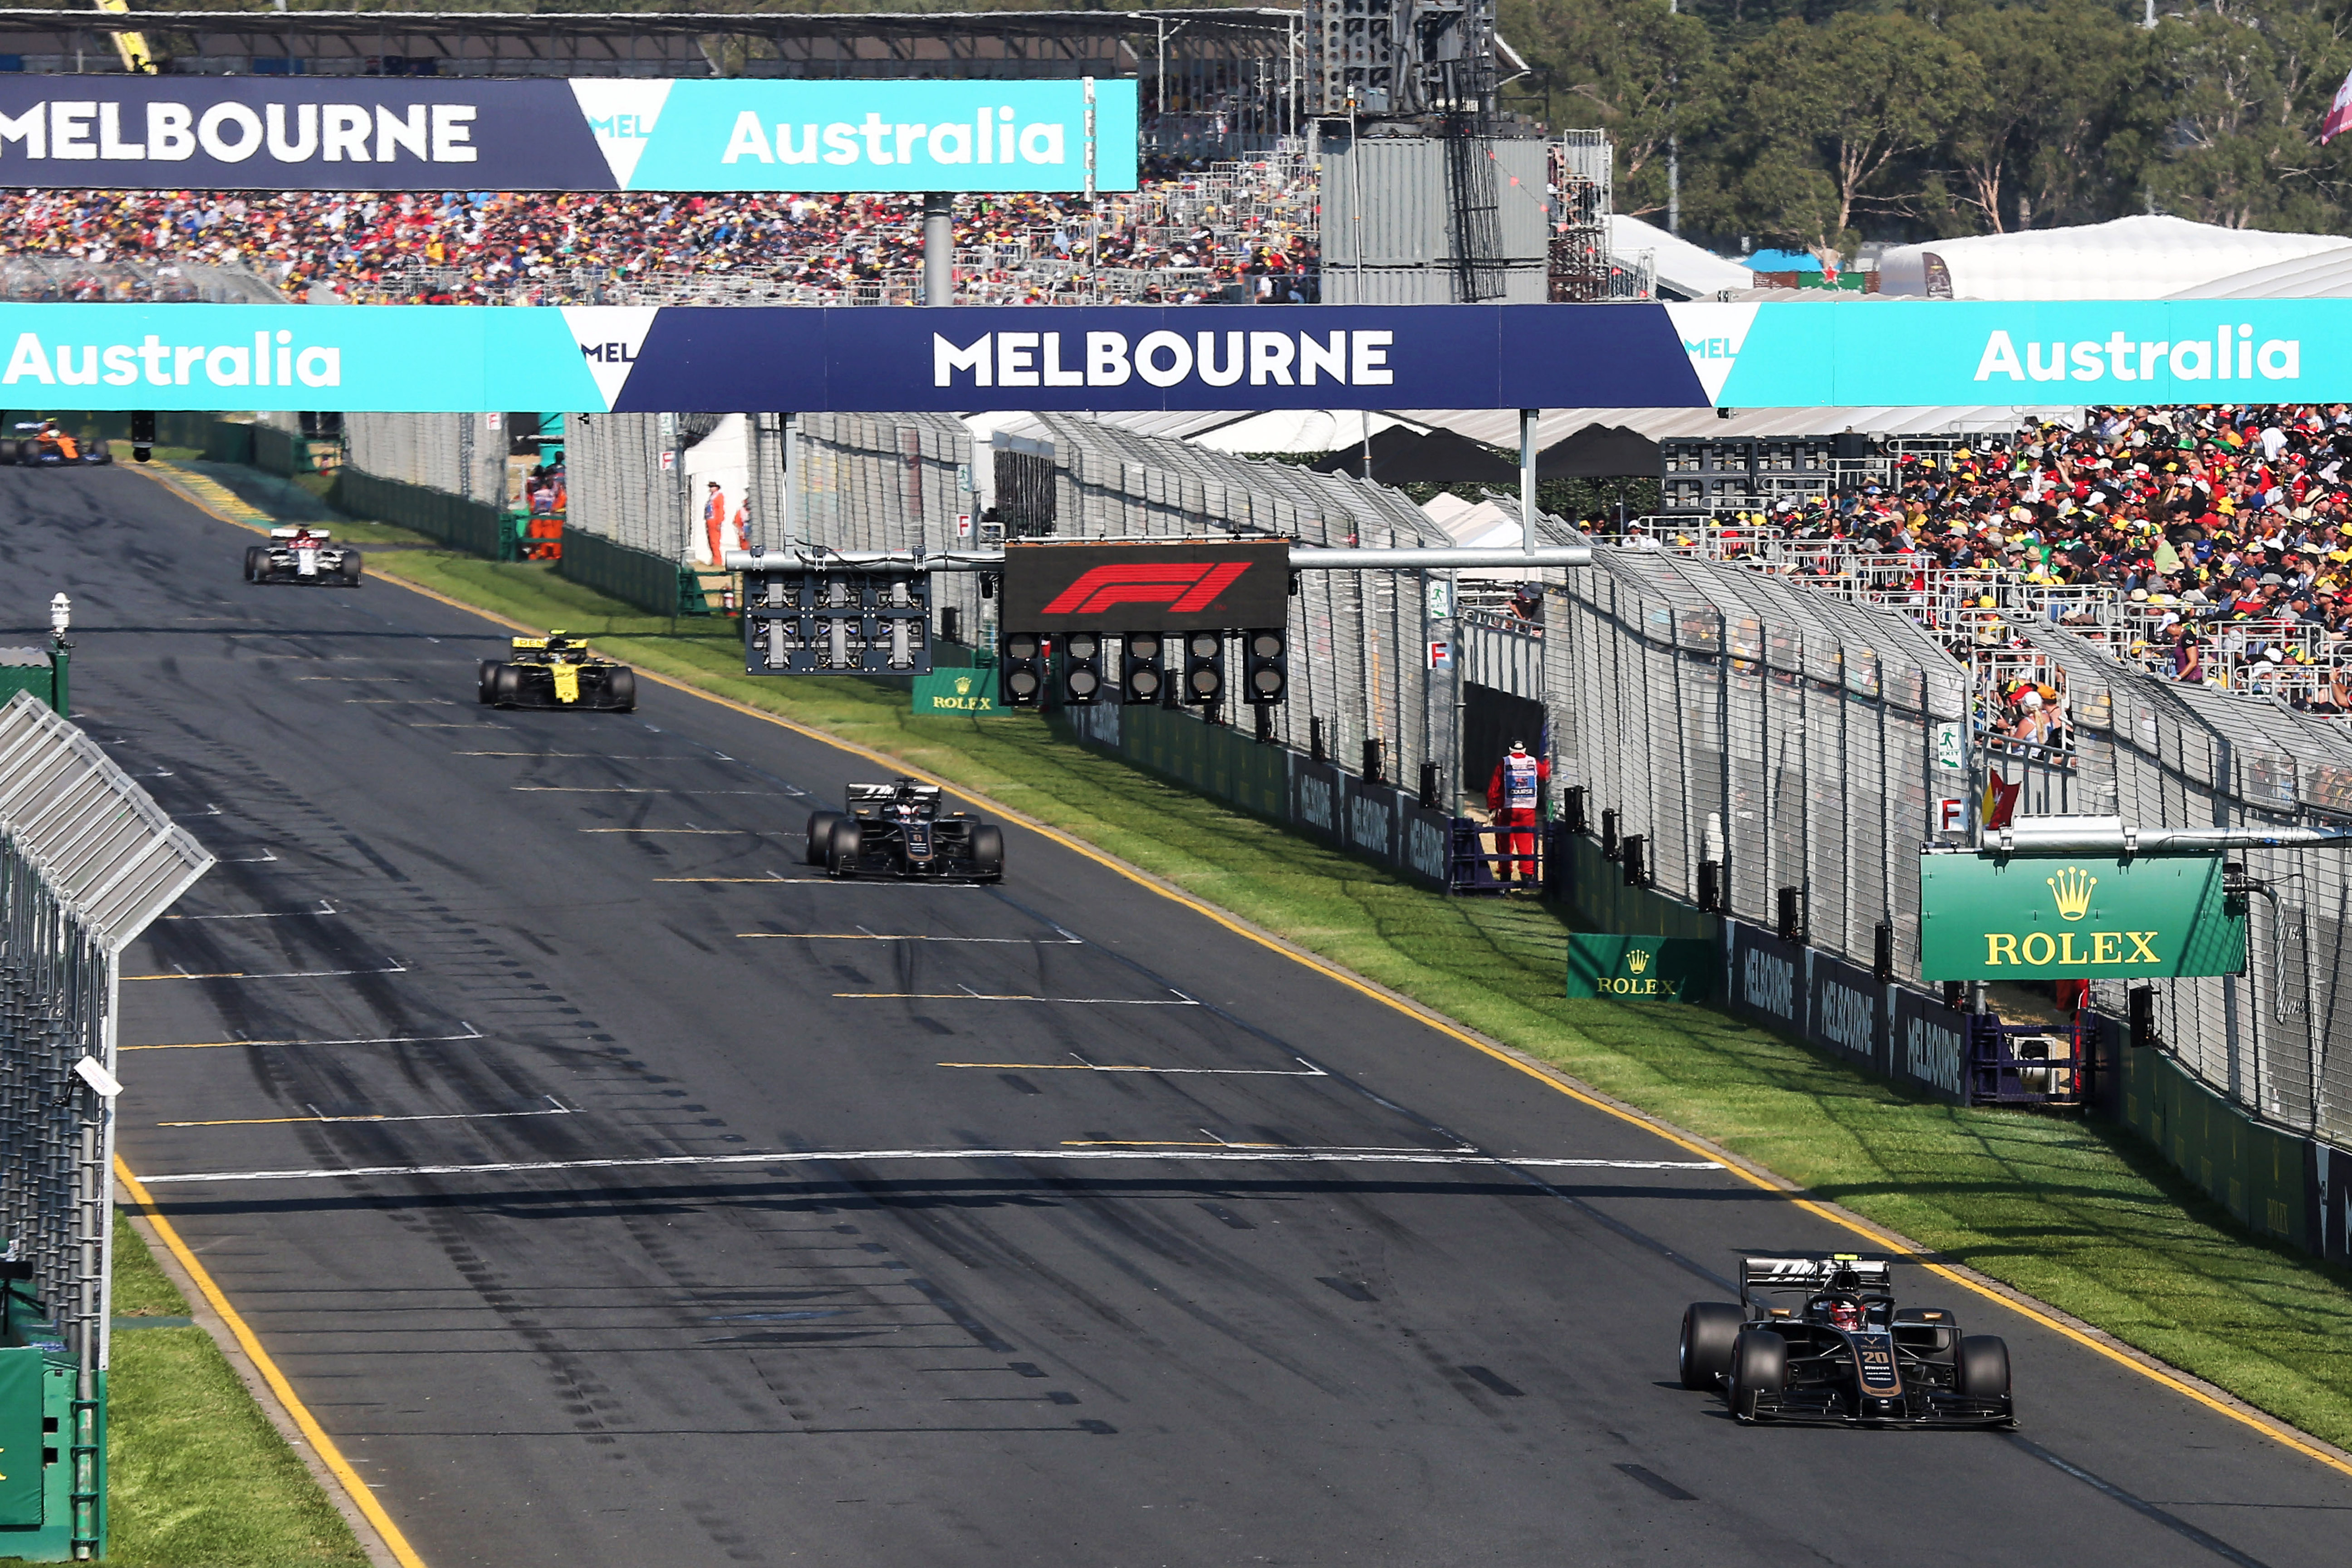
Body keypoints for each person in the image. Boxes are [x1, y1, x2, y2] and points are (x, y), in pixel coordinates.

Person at [1485, 740, 1549, 886]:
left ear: (1510, 749)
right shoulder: (1532, 761)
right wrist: (1546, 760)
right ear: (1525, 750)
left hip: (1508, 809)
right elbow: (1544, 775)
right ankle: (1527, 877)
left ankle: (1505, 877)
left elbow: (1495, 785)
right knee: (1526, 842)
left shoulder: (1505, 762)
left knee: (1505, 844)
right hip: (1528, 809)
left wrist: (1492, 806)